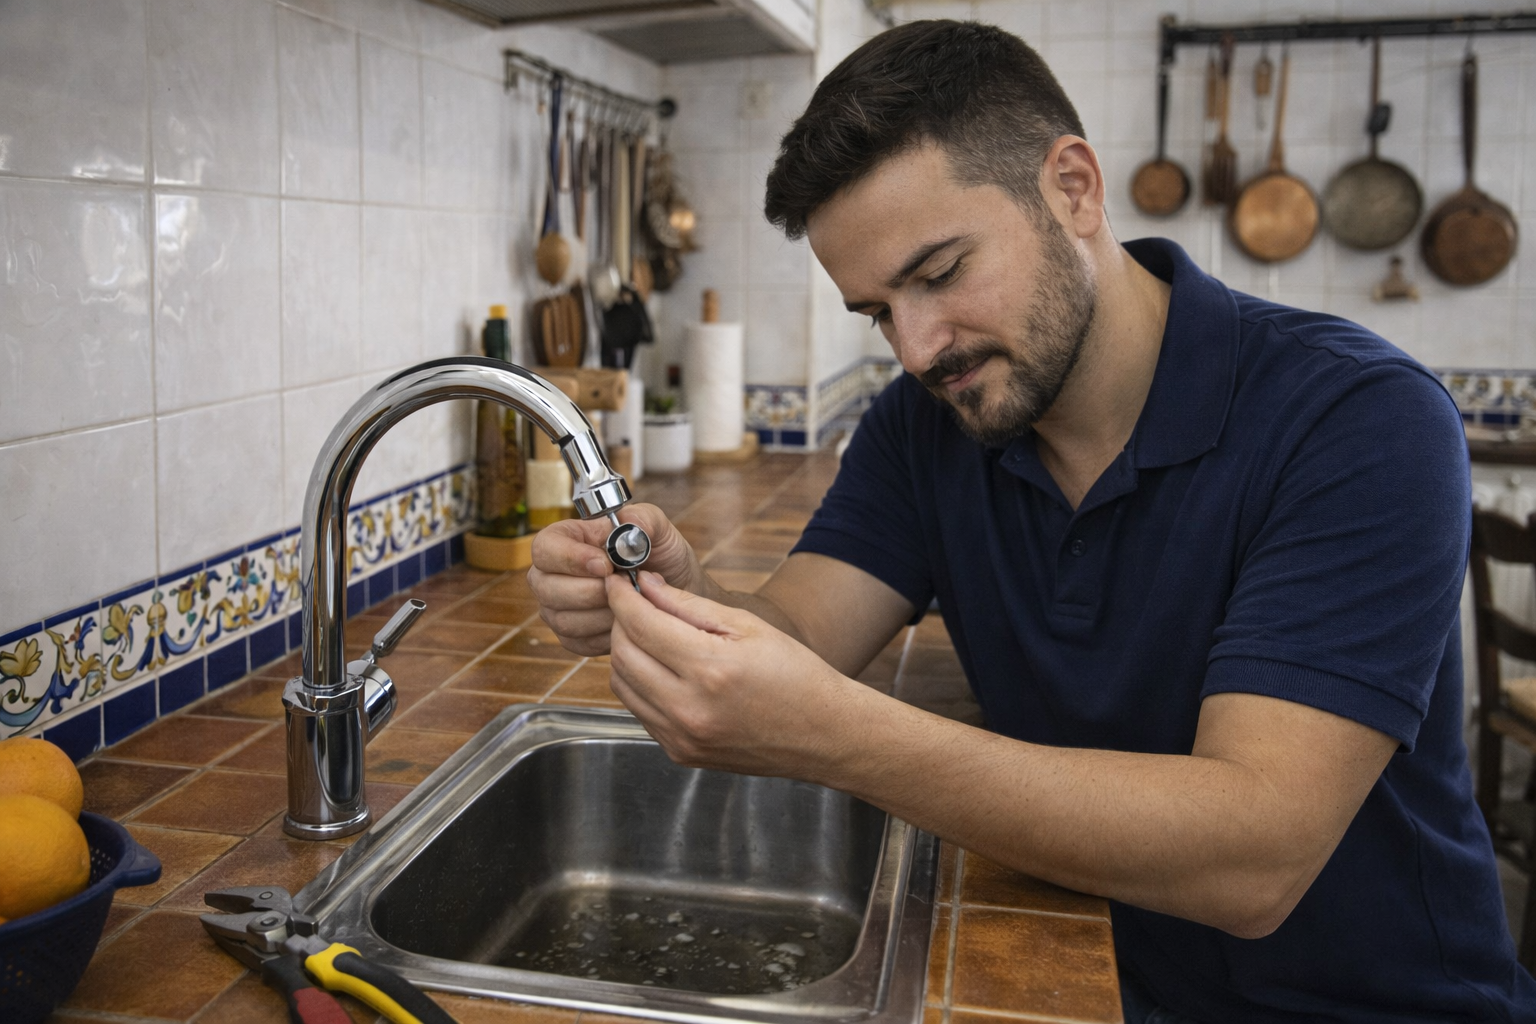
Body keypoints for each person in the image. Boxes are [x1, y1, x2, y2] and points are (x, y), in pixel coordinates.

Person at [529, 20, 1536, 1023]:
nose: (918, 347)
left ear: (1074, 189)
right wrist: (678, 598)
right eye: (878, 312)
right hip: (1096, 980)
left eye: (940, 273)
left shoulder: (1358, 420)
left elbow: (1255, 858)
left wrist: (838, 736)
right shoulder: (926, 425)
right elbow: (800, 635)